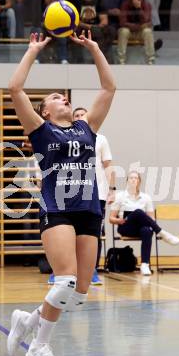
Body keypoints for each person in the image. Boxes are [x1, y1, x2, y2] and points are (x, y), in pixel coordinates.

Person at [7, 30, 116, 356]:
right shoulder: (40, 130)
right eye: (56, 97)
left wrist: (95, 48)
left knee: (79, 293)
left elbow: (109, 88)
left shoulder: (87, 128)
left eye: (65, 96)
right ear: (45, 110)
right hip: (57, 208)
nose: (64, 99)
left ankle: (28, 321)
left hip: (89, 208)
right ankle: (38, 346)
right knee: (64, 279)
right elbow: (15, 89)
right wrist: (32, 51)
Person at [48, 106, 115, 285]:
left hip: (95, 193)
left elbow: (108, 164)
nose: (79, 117)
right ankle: (60, 269)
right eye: (76, 115)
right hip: (67, 194)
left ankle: (91, 270)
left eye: (82, 115)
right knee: (63, 232)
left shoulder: (100, 139)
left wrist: (112, 189)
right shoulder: (61, 136)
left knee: (94, 233)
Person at [109, 171, 179, 275]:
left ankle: (145, 265)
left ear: (139, 181)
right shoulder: (120, 196)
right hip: (125, 226)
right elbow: (111, 219)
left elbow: (151, 219)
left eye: (136, 178)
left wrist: (149, 224)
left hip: (140, 229)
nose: (133, 180)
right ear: (127, 181)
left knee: (147, 230)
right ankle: (161, 233)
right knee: (138, 212)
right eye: (131, 178)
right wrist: (119, 220)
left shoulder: (146, 198)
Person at [74, 0, 116, 64]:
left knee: (110, 30)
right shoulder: (77, 1)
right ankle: (80, 60)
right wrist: (90, 26)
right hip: (81, 28)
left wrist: (96, 27)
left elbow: (104, 21)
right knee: (75, 30)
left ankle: (99, 56)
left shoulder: (100, 1)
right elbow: (75, 21)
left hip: (95, 28)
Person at [117, 0, 155, 65]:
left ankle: (151, 60)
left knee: (148, 31)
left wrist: (139, 8)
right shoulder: (125, 4)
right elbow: (122, 23)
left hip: (140, 33)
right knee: (123, 31)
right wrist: (139, 26)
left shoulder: (146, 5)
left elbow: (147, 21)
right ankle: (121, 60)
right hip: (129, 32)